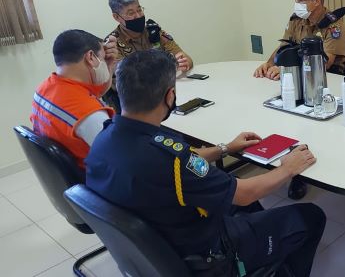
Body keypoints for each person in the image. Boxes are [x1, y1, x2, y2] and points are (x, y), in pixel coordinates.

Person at [85, 50, 326, 276]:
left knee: (243, 201)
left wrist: (225, 149)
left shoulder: (103, 138)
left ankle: (260, 242)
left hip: (160, 243)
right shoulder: (171, 157)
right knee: (311, 216)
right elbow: (243, 194)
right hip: (206, 255)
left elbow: (181, 166)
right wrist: (288, 168)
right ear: (170, 95)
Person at [30, 29, 117, 168]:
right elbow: (121, 159)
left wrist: (109, 65)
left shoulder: (44, 89)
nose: (103, 63)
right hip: (96, 181)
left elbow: (94, 94)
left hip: (69, 181)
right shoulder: (91, 115)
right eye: (102, 58)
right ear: (90, 57)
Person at [253, 0, 345, 79]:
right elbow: (284, 47)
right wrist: (269, 64)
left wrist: (289, 70)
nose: (297, 4)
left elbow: (325, 63)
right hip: (300, 75)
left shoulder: (333, 25)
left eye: (300, 0)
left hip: (327, 77)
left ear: (316, 1)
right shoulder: (297, 20)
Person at [107, 0, 193, 71]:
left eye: (139, 10)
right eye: (131, 13)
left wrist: (184, 63)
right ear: (116, 17)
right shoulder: (112, 44)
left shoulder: (154, 31)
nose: (138, 16)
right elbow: (127, 76)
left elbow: (186, 59)